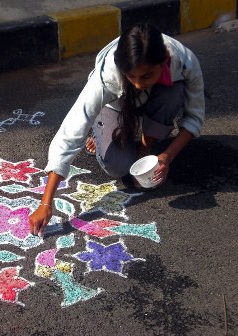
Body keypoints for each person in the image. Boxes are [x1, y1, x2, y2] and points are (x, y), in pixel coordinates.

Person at [29, 23, 205, 237]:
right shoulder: (106, 76)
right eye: (132, 76)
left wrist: (167, 156)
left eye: (147, 76)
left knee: (174, 94)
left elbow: (195, 117)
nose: (139, 84)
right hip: (116, 103)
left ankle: (144, 147)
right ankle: (102, 127)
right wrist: (46, 202)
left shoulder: (185, 62)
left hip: (161, 97)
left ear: (165, 60)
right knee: (118, 166)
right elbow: (71, 131)